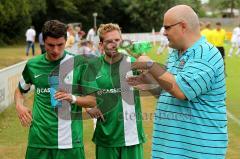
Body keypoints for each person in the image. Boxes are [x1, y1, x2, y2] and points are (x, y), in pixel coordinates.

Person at [127, 5, 227, 159]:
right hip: (169, 150)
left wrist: (150, 64)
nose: (164, 33)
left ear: (183, 26)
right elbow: (166, 92)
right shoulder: (175, 53)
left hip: (197, 152)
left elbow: (180, 90)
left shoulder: (205, 54)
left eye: (167, 27)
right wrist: (147, 80)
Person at [14, 20, 97, 159]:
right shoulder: (33, 65)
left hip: (70, 143)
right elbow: (20, 90)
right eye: (50, 45)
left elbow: (93, 100)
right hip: (39, 141)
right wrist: (19, 105)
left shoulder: (79, 64)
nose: (56, 50)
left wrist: (72, 98)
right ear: (42, 42)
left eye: (60, 45)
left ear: (66, 41)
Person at [86, 23, 145, 159]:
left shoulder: (133, 63)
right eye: (109, 41)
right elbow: (80, 92)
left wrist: (141, 57)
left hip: (132, 137)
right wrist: (87, 108)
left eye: (117, 40)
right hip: (106, 137)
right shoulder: (92, 68)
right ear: (101, 45)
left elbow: (155, 79)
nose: (114, 44)